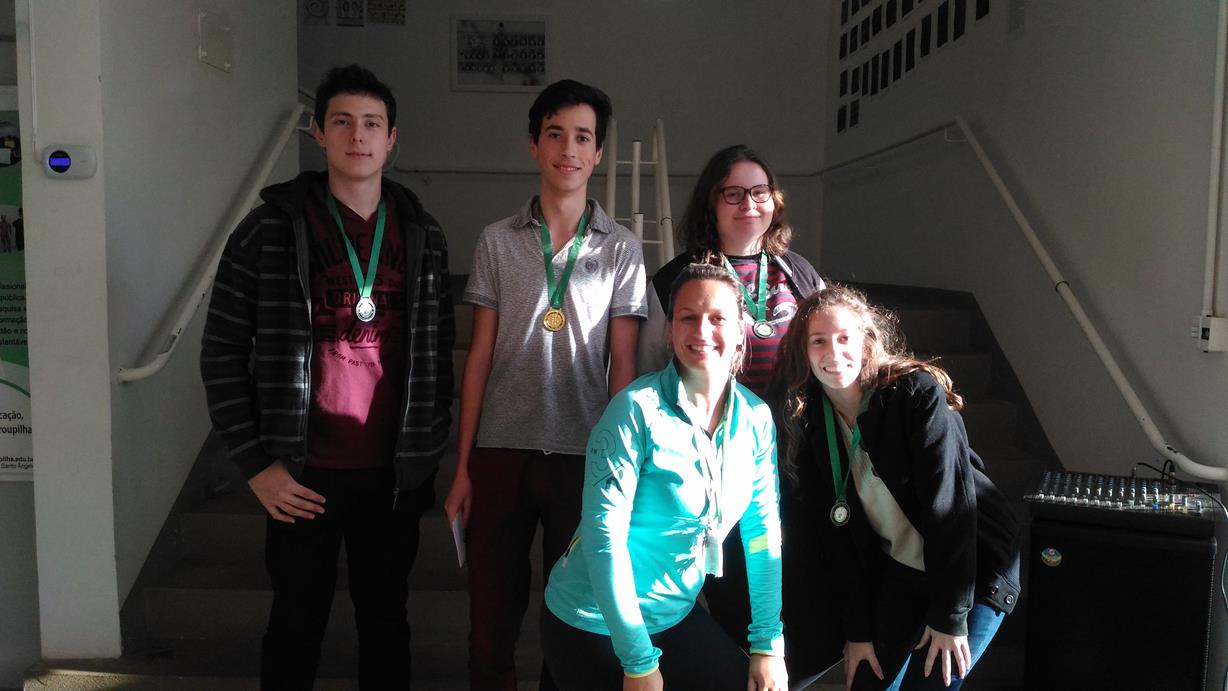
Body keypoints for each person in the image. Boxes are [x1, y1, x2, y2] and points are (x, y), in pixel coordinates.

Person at [200, 64, 454, 689]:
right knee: (294, 625)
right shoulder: (268, 229)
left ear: (392, 138)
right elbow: (221, 350)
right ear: (317, 132)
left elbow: (439, 353)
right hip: (299, 474)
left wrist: (426, 453)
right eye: (341, 121)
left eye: (371, 124)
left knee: (387, 624)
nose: (357, 136)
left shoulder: (423, 233)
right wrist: (256, 465)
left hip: (392, 477)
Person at [443, 79, 646, 691]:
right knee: (490, 620)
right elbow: (478, 357)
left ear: (598, 153)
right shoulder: (497, 239)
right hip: (500, 452)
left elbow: (624, 367)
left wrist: (622, 471)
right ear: (533, 144)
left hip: (584, 456)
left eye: (583, 137)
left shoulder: (622, 248)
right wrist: (462, 467)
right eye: (555, 134)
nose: (568, 149)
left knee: (575, 624)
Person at [542, 262, 787, 691]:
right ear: (669, 331)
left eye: (718, 318)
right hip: (593, 621)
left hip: (673, 615)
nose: (702, 330)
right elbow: (604, 537)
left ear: (740, 330)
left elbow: (762, 533)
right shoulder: (635, 409)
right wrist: (638, 662)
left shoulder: (756, 417)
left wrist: (768, 643)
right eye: (688, 317)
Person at [771, 285, 1021, 690]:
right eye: (819, 341)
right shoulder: (809, 419)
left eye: (844, 338)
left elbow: (951, 513)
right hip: (903, 571)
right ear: (803, 350)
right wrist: (858, 630)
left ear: (866, 342)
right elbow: (837, 538)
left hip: (970, 567)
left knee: (932, 682)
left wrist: (949, 617)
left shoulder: (914, 394)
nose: (834, 352)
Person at [637, 144, 823, 647]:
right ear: (711, 202)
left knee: (788, 587)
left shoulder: (799, 273)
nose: (749, 204)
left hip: (793, 460)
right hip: (714, 464)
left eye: (760, 192)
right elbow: (650, 369)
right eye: (733, 193)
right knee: (732, 597)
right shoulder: (676, 278)